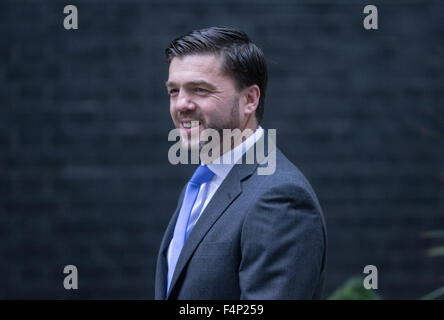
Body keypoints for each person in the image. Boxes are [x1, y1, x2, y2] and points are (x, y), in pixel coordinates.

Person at [155, 26, 327, 300]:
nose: (181, 105)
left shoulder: (280, 199)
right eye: (174, 91)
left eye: (199, 90)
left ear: (249, 99)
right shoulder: (202, 185)